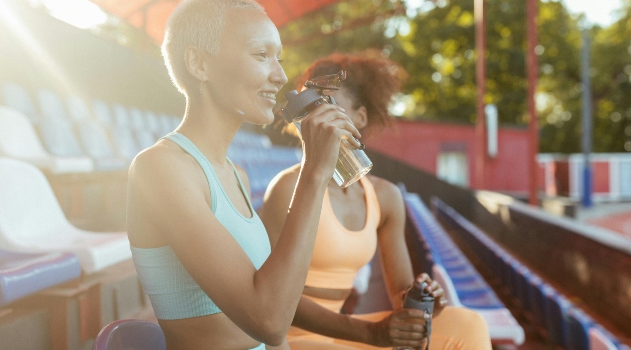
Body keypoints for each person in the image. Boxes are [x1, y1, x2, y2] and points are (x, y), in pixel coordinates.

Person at [125, 1, 362, 349]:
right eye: (261, 54)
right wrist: (314, 173)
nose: (280, 75)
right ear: (199, 63)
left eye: (278, 56)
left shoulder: (238, 174)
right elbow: (269, 320)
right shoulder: (160, 168)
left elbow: (275, 314)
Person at [260, 52, 491, 349]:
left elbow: (400, 297)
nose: (316, 120)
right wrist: (371, 333)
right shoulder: (286, 187)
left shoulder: (385, 197)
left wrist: (420, 299)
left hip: (339, 336)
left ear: (360, 118)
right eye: (308, 110)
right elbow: (271, 301)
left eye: (328, 107)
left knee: (468, 326)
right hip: (290, 339)